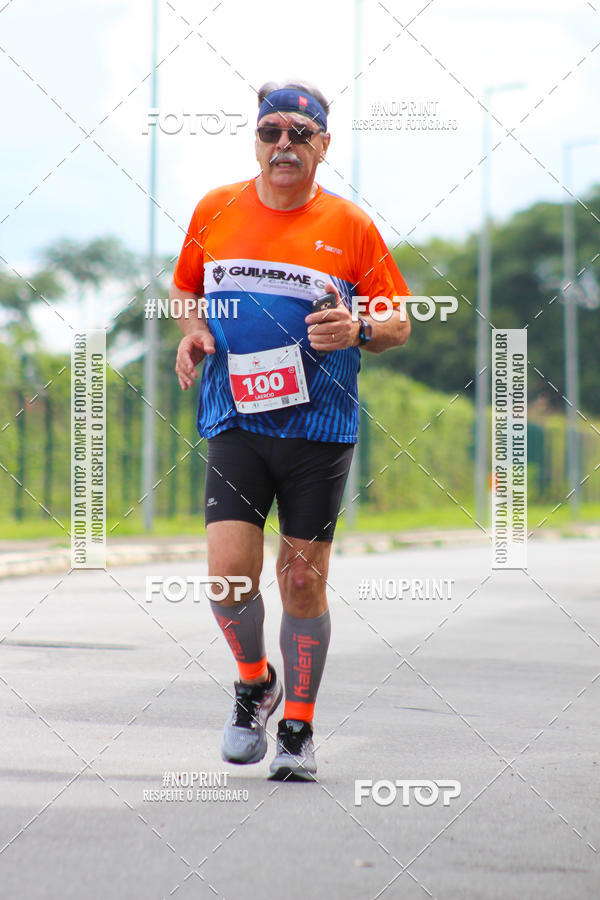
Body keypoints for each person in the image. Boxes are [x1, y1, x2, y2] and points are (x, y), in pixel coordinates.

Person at [170, 80, 411, 781]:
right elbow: (185, 288)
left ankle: (298, 729)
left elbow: (398, 320)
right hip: (236, 417)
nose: (283, 145)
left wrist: (361, 328)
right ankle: (254, 683)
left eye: (299, 134)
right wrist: (192, 332)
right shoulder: (215, 210)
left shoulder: (351, 226)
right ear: (255, 138)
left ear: (323, 146)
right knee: (226, 577)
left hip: (319, 428)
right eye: (271, 131)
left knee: (301, 580)